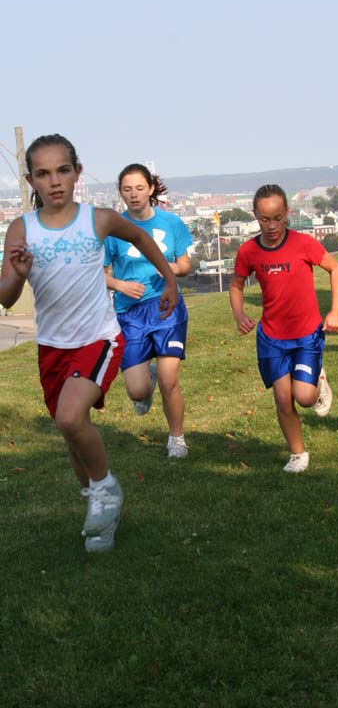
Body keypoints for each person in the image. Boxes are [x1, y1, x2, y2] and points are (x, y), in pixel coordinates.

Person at [0, 134, 178, 553]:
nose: (54, 181)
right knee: (72, 433)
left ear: (77, 172)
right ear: (30, 180)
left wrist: (169, 279)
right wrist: (19, 272)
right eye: (43, 174)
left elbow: (140, 238)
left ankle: (105, 490)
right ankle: (99, 512)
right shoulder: (21, 230)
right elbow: (5, 297)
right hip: (52, 347)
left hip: (98, 338)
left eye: (63, 170)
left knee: (68, 417)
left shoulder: (97, 220)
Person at [229, 184, 338, 473]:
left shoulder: (303, 243)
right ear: (255, 215)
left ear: (287, 214)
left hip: (306, 334)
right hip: (271, 338)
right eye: (265, 219)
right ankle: (297, 454)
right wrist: (239, 313)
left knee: (304, 398)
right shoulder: (248, 251)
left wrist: (336, 310)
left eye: (278, 218)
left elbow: (334, 269)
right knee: (282, 398)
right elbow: (237, 284)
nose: (271, 225)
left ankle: (318, 379)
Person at [104, 164, 193, 459]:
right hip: (130, 314)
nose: (134, 194)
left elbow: (184, 265)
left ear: (151, 189)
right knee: (137, 392)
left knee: (171, 381)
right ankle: (147, 378)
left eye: (139, 188)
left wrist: (166, 269)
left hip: (166, 308)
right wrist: (120, 284)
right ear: (120, 192)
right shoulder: (114, 230)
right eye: (127, 189)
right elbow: (99, 273)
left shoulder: (171, 223)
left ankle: (176, 439)